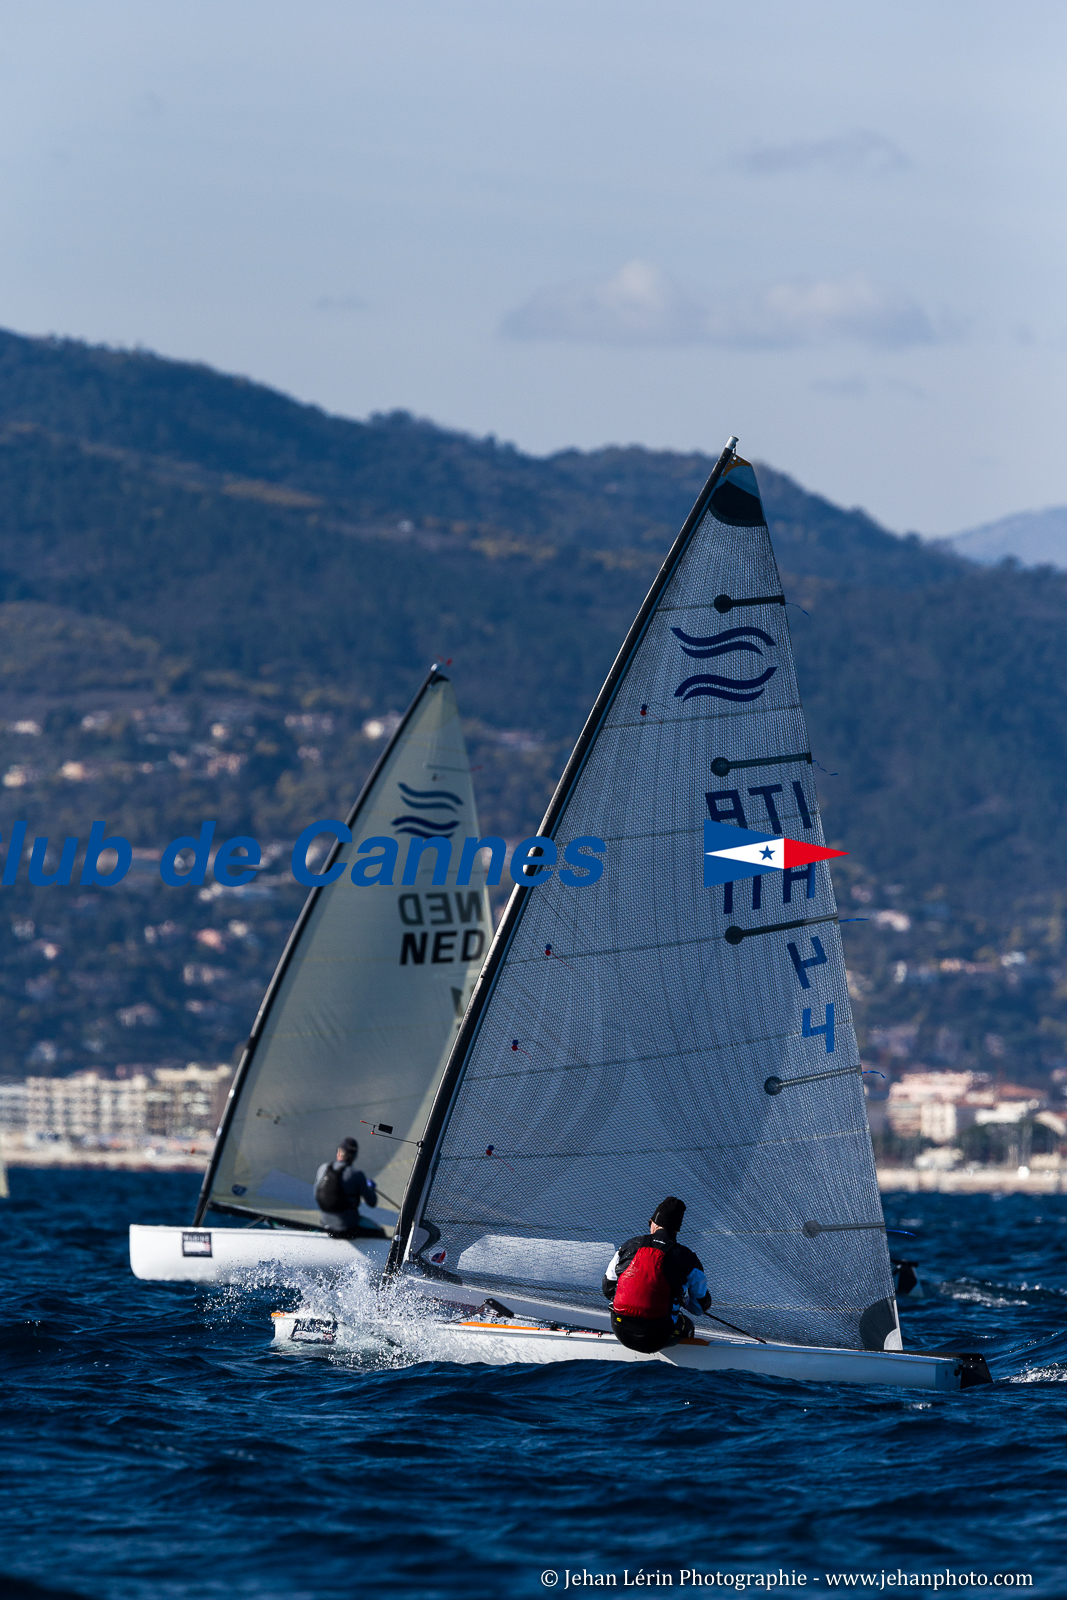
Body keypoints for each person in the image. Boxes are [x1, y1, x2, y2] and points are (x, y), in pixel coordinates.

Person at [602, 1196, 712, 1353]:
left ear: (654, 1223)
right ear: (676, 1230)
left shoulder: (628, 1246)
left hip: (620, 1329)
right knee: (687, 1325)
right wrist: (682, 1300)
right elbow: (699, 1307)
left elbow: (608, 1288)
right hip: (657, 1337)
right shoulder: (688, 1258)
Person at [313, 1137, 385, 1238]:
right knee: (380, 1232)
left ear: (339, 1152)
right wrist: (371, 1188)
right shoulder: (356, 1174)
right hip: (348, 1228)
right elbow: (372, 1202)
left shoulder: (323, 1168)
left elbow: (316, 1195)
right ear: (354, 1156)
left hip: (325, 1224)